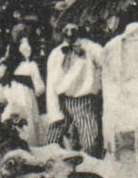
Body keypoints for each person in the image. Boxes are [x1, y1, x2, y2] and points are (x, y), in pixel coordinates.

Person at [43, 22, 105, 157]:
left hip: (84, 102)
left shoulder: (91, 48)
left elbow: (106, 62)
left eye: (73, 29)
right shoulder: (55, 54)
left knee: (90, 143)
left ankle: (86, 169)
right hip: (62, 101)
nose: (69, 33)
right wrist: (54, 113)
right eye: (66, 29)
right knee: (51, 142)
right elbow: (51, 85)